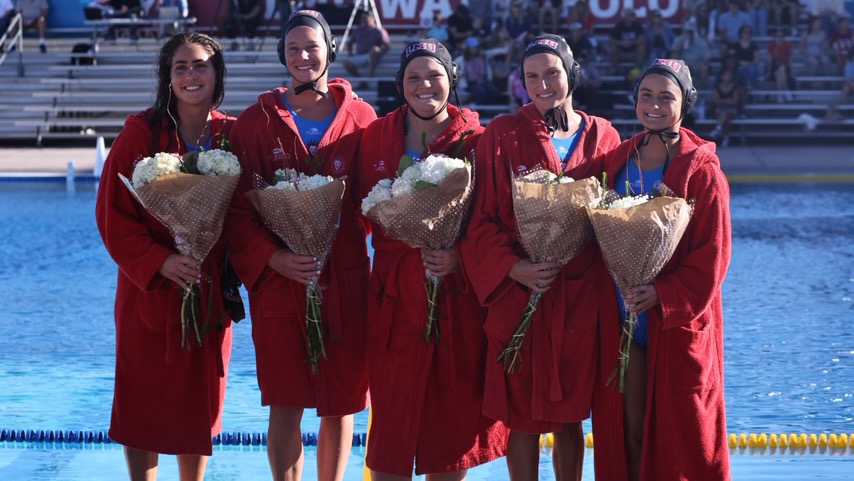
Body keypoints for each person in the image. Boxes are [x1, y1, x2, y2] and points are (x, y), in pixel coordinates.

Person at [223, 10, 375, 481]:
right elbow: (236, 211)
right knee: (285, 400)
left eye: (311, 46)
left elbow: (380, 200)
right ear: (281, 55)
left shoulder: (363, 118)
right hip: (280, 281)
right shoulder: (255, 122)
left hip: (343, 276)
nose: (303, 56)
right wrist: (275, 258)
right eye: (292, 48)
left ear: (330, 48)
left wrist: (338, 242)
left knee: (341, 401)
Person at [460, 34, 620, 481]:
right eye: (532, 76)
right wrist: (515, 268)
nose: (543, 84)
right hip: (520, 292)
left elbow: (616, 212)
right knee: (521, 419)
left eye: (552, 73)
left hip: (578, 295)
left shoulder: (603, 134)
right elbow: (481, 221)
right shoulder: (502, 134)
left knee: (571, 417)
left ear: (572, 73)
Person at [355, 37, 510, 481]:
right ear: (400, 83)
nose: (425, 85)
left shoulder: (477, 142)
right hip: (395, 297)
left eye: (435, 75)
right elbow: (356, 215)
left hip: (455, 298)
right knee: (392, 432)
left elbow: (493, 220)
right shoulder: (375, 138)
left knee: (450, 431)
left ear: (452, 79)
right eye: (414, 77)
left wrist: (460, 257)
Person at [95, 32, 234, 481]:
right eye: (181, 67)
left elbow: (249, 211)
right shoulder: (142, 132)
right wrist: (159, 261)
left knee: (200, 398)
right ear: (168, 77)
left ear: (217, 73)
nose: (192, 75)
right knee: (143, 399)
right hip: (149, 292)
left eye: (201, 65)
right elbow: (112, 214)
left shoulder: (231, 135)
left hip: (206, 284)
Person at [592, 58, 732, 481]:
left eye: (665, 97)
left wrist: (663, 294)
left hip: (676, 324)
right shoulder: (616, 161)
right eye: (645, 96)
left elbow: (714, 257)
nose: (653, 105)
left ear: (684, 103)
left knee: (683, 442)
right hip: (623, 321)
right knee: (627, 435)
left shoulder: (702, 172)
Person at [343, 9, 390, 78]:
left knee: (375, 49)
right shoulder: (357, 30)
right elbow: (350, 42)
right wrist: (350, 53)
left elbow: (387, 45)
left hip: (372, 56)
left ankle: (371, 74)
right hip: (359, 56)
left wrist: (379, 51)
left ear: (373, 19)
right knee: (346, 62)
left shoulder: (379, 30)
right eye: (362, 18)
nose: (364, 20)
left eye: (366, 18)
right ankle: (361, 80)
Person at [671, 18, 711, 87]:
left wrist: (701, 63)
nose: (689, 34)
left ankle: (703, 91)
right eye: (687, 31)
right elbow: (673, 52)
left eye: (691, 31)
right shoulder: (678, 40)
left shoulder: (700, 41)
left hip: (697, 64)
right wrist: (682, 42)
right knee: (679, 67)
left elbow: (707, 57)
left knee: (704, 68)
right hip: (684, 64)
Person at [709, 68, 741, 147]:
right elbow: (715, 100)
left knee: (726, 113)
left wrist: (722, 100)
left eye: (729, 75)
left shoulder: (734, 87)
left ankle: (718, 129)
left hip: (732, 109)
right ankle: (725, 138)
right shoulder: (717, 87)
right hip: (720, 109)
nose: (727, 77)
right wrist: (726, 100)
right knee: (727, 119)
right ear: (722, 77)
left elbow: (735, 101)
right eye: (726, 75)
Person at [768, 27, 795, 103]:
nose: (779, 38)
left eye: (781, 36)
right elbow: (770, 59)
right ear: (775, 37)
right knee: (779, 71)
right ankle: (786, 91)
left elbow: (789, 59)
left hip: (785, 66)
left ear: (783, 37)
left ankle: (779, 94)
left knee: (781, 71)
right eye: (777, 36)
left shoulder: (788, 45)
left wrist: (792, 73)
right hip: (774, 65)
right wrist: (769, 72)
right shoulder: (771, 45)